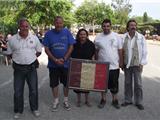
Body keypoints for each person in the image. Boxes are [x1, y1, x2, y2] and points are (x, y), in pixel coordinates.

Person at [6, 18, 42, 119]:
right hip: (18, 69)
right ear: (19, 27)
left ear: (29, 27)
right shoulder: (12, 39)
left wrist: (31, 57)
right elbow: (9, 54)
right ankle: (18, 110)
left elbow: (39, 51)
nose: (25, 28)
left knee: (34, 90)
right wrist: (18, 60)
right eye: (22, 26)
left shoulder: (34, 38)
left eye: (27, 26)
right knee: (17, 91)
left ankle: (34, 109)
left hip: (31, 67)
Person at [42, 16, 75, 111]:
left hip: (66, 63)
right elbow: (46, 48)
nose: (59, 25)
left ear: (63, 23)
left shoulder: (67, 32)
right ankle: (56, 101)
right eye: (57, 23)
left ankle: (65, 100)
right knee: (54, 84)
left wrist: (64, 58)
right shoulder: (48, 34)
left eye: (60, 23)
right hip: (53, 65)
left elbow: (71, 46)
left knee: (66, 84)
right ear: (54, 23)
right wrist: (54, 59)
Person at [94, 18, 123, 109]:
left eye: (108, 26)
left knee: (114, 84)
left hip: (114, 66)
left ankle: (115, 100)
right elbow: (96, 50)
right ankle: (103, 99)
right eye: (104, 26)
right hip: (102, 66)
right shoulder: (98, 37)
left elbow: (120, 50)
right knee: (102, 84)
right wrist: (95, 61)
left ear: (110, 26)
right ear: (102, 27)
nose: (106, 28)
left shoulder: (116, 36)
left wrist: (121, 62)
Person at [121, 19, 147, 110]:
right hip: (127, 64)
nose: (133, 27)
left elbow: (144, 51)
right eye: (131, 25)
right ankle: (128, 100)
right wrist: (121, 63)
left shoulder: (141, 37)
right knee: (127, 83)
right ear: (128, 27)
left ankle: (138, 102)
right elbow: (121, 51)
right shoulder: (123, 37)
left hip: (137, 64)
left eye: (134, 25)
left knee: (138, 84)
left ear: (136, 27)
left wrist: (142, 63)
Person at [71, 28, 95, 107]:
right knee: (77, 84)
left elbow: (93, 55)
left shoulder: (91, 44)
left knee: (87, 84)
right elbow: (71, 55)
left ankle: (87, 100)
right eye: (81, 34)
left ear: (87, 35)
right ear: (78, 35)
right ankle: (78, 100)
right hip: (77, 66)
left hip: (87, 66)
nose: (82, 36)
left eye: (84, 34)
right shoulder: (74, 44)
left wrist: (93, 64)